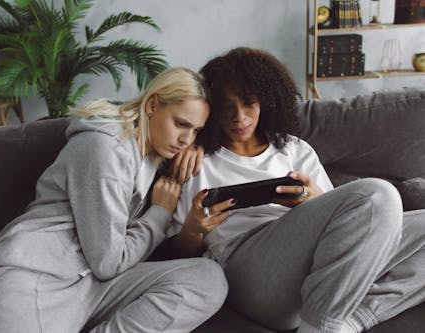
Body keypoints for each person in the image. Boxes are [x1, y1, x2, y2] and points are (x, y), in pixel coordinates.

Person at [167, 48, 425, 333]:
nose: (239, 117)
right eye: (227, 107)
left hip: (316, 272)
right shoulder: (196, 161)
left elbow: (349, 231)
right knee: (378, 195)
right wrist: (194, 229)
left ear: (266, 99)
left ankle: (349, 320)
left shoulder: (293, 149)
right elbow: (173, 254)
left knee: (383, 203)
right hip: (249, 272)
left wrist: (313, 200)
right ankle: (321, 325)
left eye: (249, 103)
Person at [0, 67, 228, 333]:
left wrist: (200, 147)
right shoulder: (104, 148)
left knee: (207, 278)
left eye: (196, 131)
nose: (186, 139)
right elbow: (108, 263)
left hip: (95, 286)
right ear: (152, 105)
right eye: (181, 124)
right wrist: (160, 212)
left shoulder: (155, 151)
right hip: (36, 281)